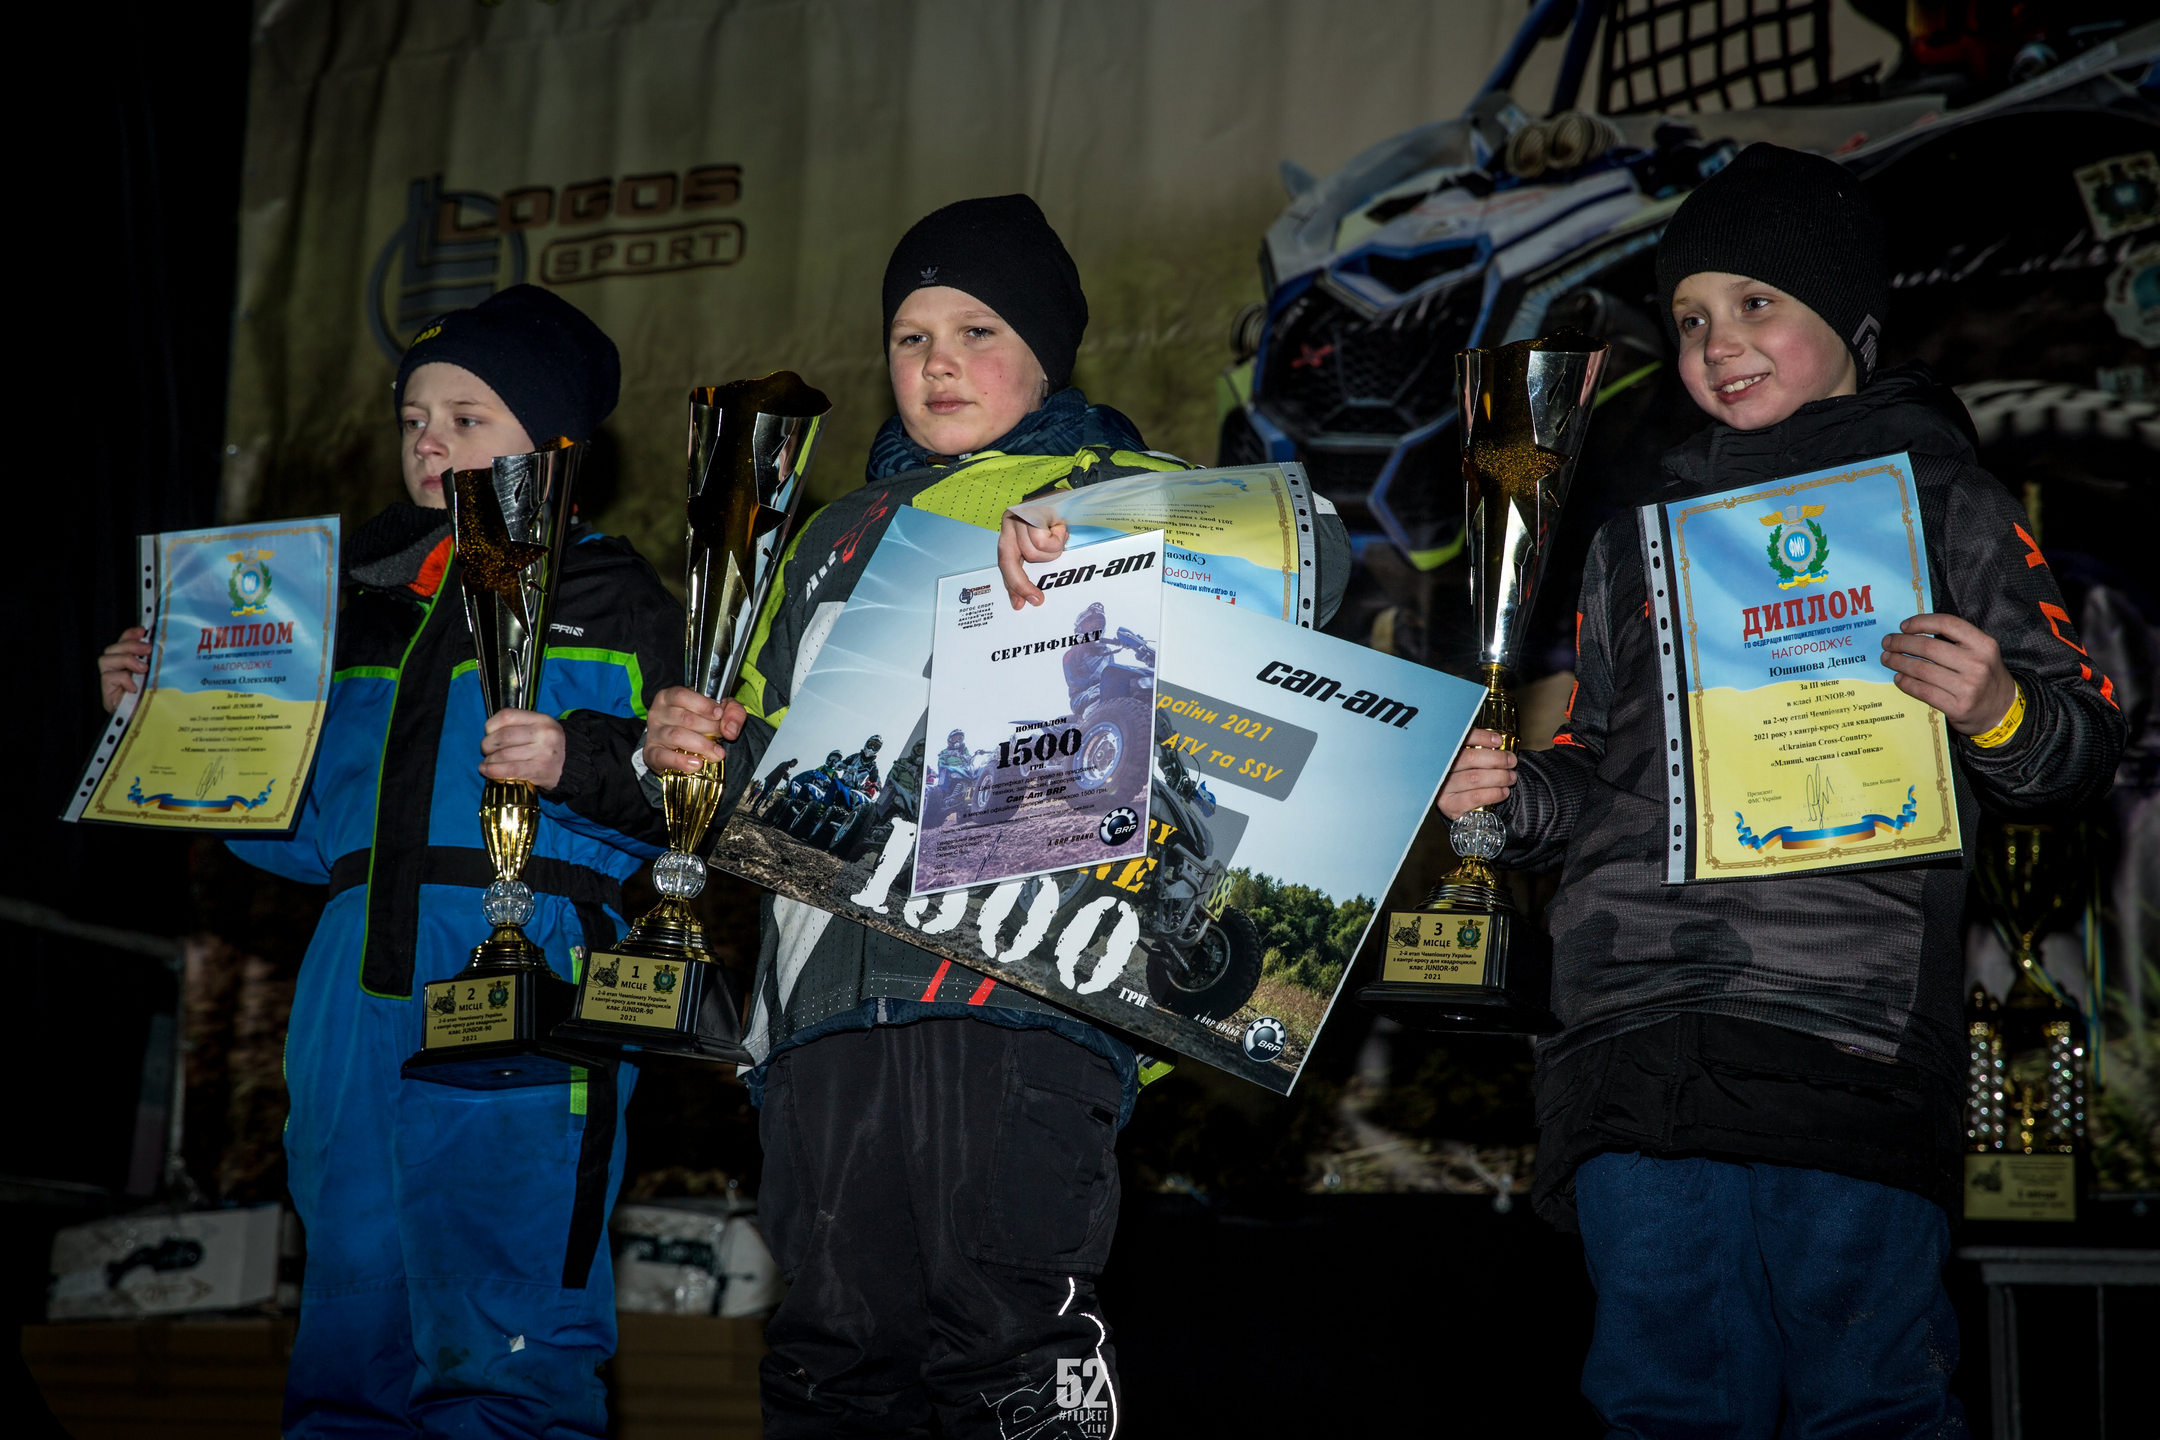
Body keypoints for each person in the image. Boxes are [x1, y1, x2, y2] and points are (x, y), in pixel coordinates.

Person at [1436, 144, 2125, 1433]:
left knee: (1864, 1397)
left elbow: (2076, 748)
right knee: (1661, 1397)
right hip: (1633, 1034)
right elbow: (1594, 778)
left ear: (1852, 322)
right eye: (1692, 315)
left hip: (1837, 1031)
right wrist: (1499, 799)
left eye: (1759, 303)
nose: (1718, 341)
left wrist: (1997, 708)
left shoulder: (1948, 508)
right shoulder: (1631, 543)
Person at [642, 194, 1346, 1436]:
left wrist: (1107, 538)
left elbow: (1317, 555)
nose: (939, 363)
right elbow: (769, 764)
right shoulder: (822, 537)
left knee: (1005, 1348)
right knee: (828, 1358)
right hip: (819, 1015)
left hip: (1022, 1001)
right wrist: (690, 752)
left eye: (976, 329)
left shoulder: (1128, 482)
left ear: (1045, 353)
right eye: (911, 337)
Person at [99, 285, 680, 1438]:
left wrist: (582, 760)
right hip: (350, 989)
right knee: (350, 1330)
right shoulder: (344, 606)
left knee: (507, 1339)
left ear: (554, 441)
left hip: (528, 978)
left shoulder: (618, 599)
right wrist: (161, 719)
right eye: (416, 414)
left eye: (469, 416)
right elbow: (305, 828)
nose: (430, 438)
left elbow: (691, 808)